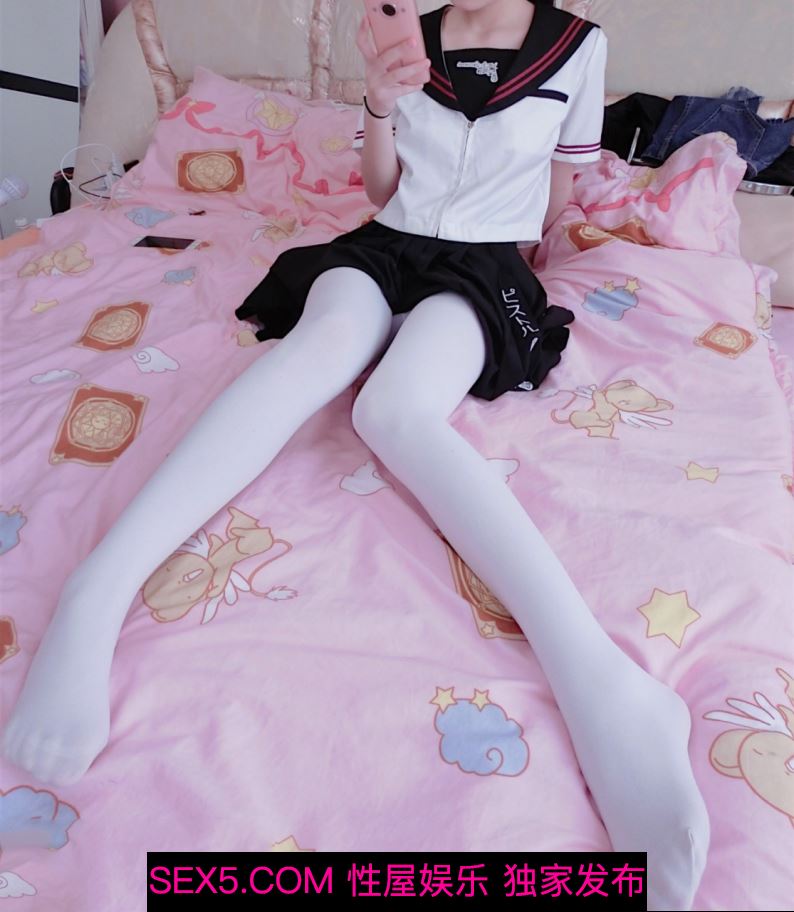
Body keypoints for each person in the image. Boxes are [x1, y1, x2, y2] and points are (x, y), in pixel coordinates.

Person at [1, 2, 709, 909]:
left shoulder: (578, 46)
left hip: (486, 263)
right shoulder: (409, 33)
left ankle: (606, 683)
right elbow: (382, 191)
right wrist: (378, 101)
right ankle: (96, 591)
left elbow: (554, 204)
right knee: (320, 347)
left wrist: (499, 236)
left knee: (397, 411)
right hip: (384, 246)